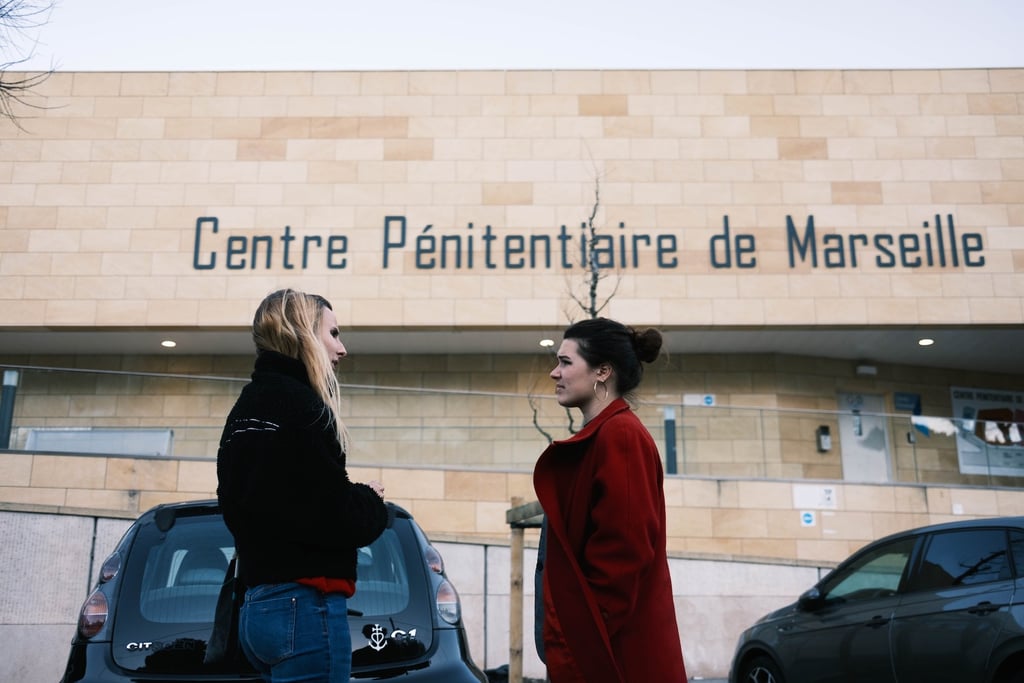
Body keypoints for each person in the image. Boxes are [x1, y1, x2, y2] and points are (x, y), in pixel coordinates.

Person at [216, 288, 389, 683]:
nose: (341, 349)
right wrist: (370, 499)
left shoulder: (244, 409)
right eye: (333, 333)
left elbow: (245, 504)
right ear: (303, 334)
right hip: (305, 609)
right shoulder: (305, 409)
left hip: (256, 609)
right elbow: (335, 517)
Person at [533, 317, 687, 682]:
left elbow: (624, 554)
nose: (555, 373)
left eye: (566, 362)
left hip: (614, 660)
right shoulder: (606, 435)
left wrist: (581, 642)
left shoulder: (621, 436)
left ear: (602, 371)